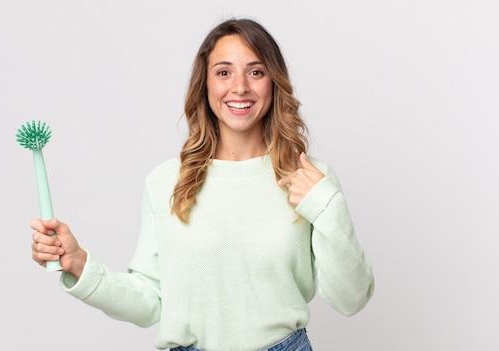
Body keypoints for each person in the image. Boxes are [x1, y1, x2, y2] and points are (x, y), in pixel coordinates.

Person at [30, 18, 374, 351]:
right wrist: (79, 264)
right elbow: (151, 300)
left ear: (273, 82)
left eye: (255, 72)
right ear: (205, 85)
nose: (240, 87)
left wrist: (326, 206)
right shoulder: (166, 181)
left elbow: (352, 299)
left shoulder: (311, 179)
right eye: (224, 72)